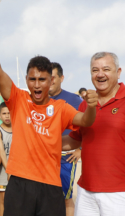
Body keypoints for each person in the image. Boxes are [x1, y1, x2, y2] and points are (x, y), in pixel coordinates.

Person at [0, 16, 98, 216]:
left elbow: (85, 121)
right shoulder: (18, 99)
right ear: (26, 80)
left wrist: (91, 107)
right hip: (20, 183)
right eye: (32, 79)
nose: (37, 84)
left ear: (51, 81)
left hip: (50, 185)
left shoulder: (61, 107)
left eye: (42, 79)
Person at [62, 52, 125, 216]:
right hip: (86, 192)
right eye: (95, 70)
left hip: (121, 194)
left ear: (118, 72)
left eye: (106, 69)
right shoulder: (86, 106)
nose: (100, 74)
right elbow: (75, 140)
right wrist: (43, 140)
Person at [49, 62, 83, 216]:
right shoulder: (38, 100)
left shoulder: (74, 100)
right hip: (43, 156)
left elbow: (88, 126)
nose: (49, 80)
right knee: (46, 197)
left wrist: (80, 150)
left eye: (53, 77)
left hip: (65, 157)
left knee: (66, 198)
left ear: (61, 78)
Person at [0, 102, 12, 216]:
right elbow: (2, 153)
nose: (7, 116)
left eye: (9, 113)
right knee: (4, 198)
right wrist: (8, 170)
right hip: (4, 169)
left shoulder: (19, 128)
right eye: (4, 113)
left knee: (18, 198)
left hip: (18, 168)